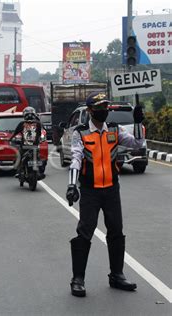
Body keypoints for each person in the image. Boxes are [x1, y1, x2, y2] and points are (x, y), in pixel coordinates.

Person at [66, 91, 145, 297]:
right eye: (100, 108)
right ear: (91, 111)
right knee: (85, 232)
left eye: (106, 107)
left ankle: (117, 275)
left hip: (111, 189)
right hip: (90, 191)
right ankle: (78, 279)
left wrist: (138, 123)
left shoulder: (114, 131)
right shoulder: (80, 133)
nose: (104, 111)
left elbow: (137, 144)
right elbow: (76, 158)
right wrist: (72, 186)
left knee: (116, 231)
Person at [11, 107, 45, 180]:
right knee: (19, 156)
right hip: (28, 147)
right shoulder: (35, 124)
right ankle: (19, 171)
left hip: (31, 147)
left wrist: (10, 139)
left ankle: (38, 172)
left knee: (39, 159)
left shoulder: (36, 124)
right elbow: (15, 134)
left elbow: (42, 134)